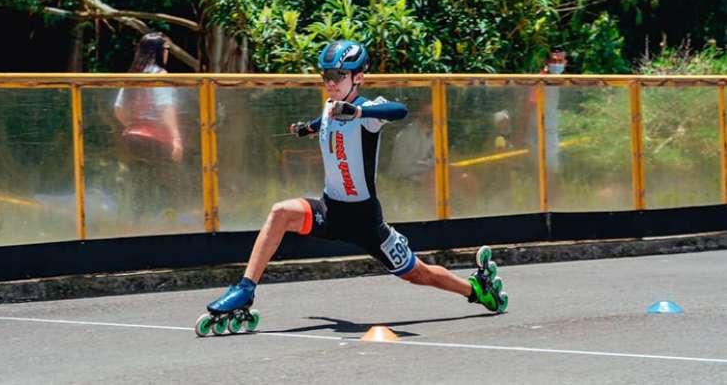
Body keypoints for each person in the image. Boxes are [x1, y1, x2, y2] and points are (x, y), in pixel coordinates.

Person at [197, 40, 507, 334]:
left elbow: (399, 111)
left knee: (418, 273)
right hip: (331, 210)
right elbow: (328, 119)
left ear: (358, 77)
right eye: (326, 76)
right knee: (280, 213)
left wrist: (360, 112)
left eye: (338, 76)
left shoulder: (368, 112)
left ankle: (476, 289)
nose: (330, 82)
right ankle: (244, 290)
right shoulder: (330, 106)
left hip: (365, 221)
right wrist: (308, 128)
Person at [113, 32, 184, 222]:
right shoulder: (160, 75)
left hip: (133, 137)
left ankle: (137, 220)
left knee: (139, 182)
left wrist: (132, 124)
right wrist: (176, 139)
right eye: (167, 49)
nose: (168, 53)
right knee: (170, 182)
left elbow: (118, 108)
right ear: (159, 52)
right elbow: (165, 107)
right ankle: (167, 222)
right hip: (157, 139)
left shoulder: (133, 76)